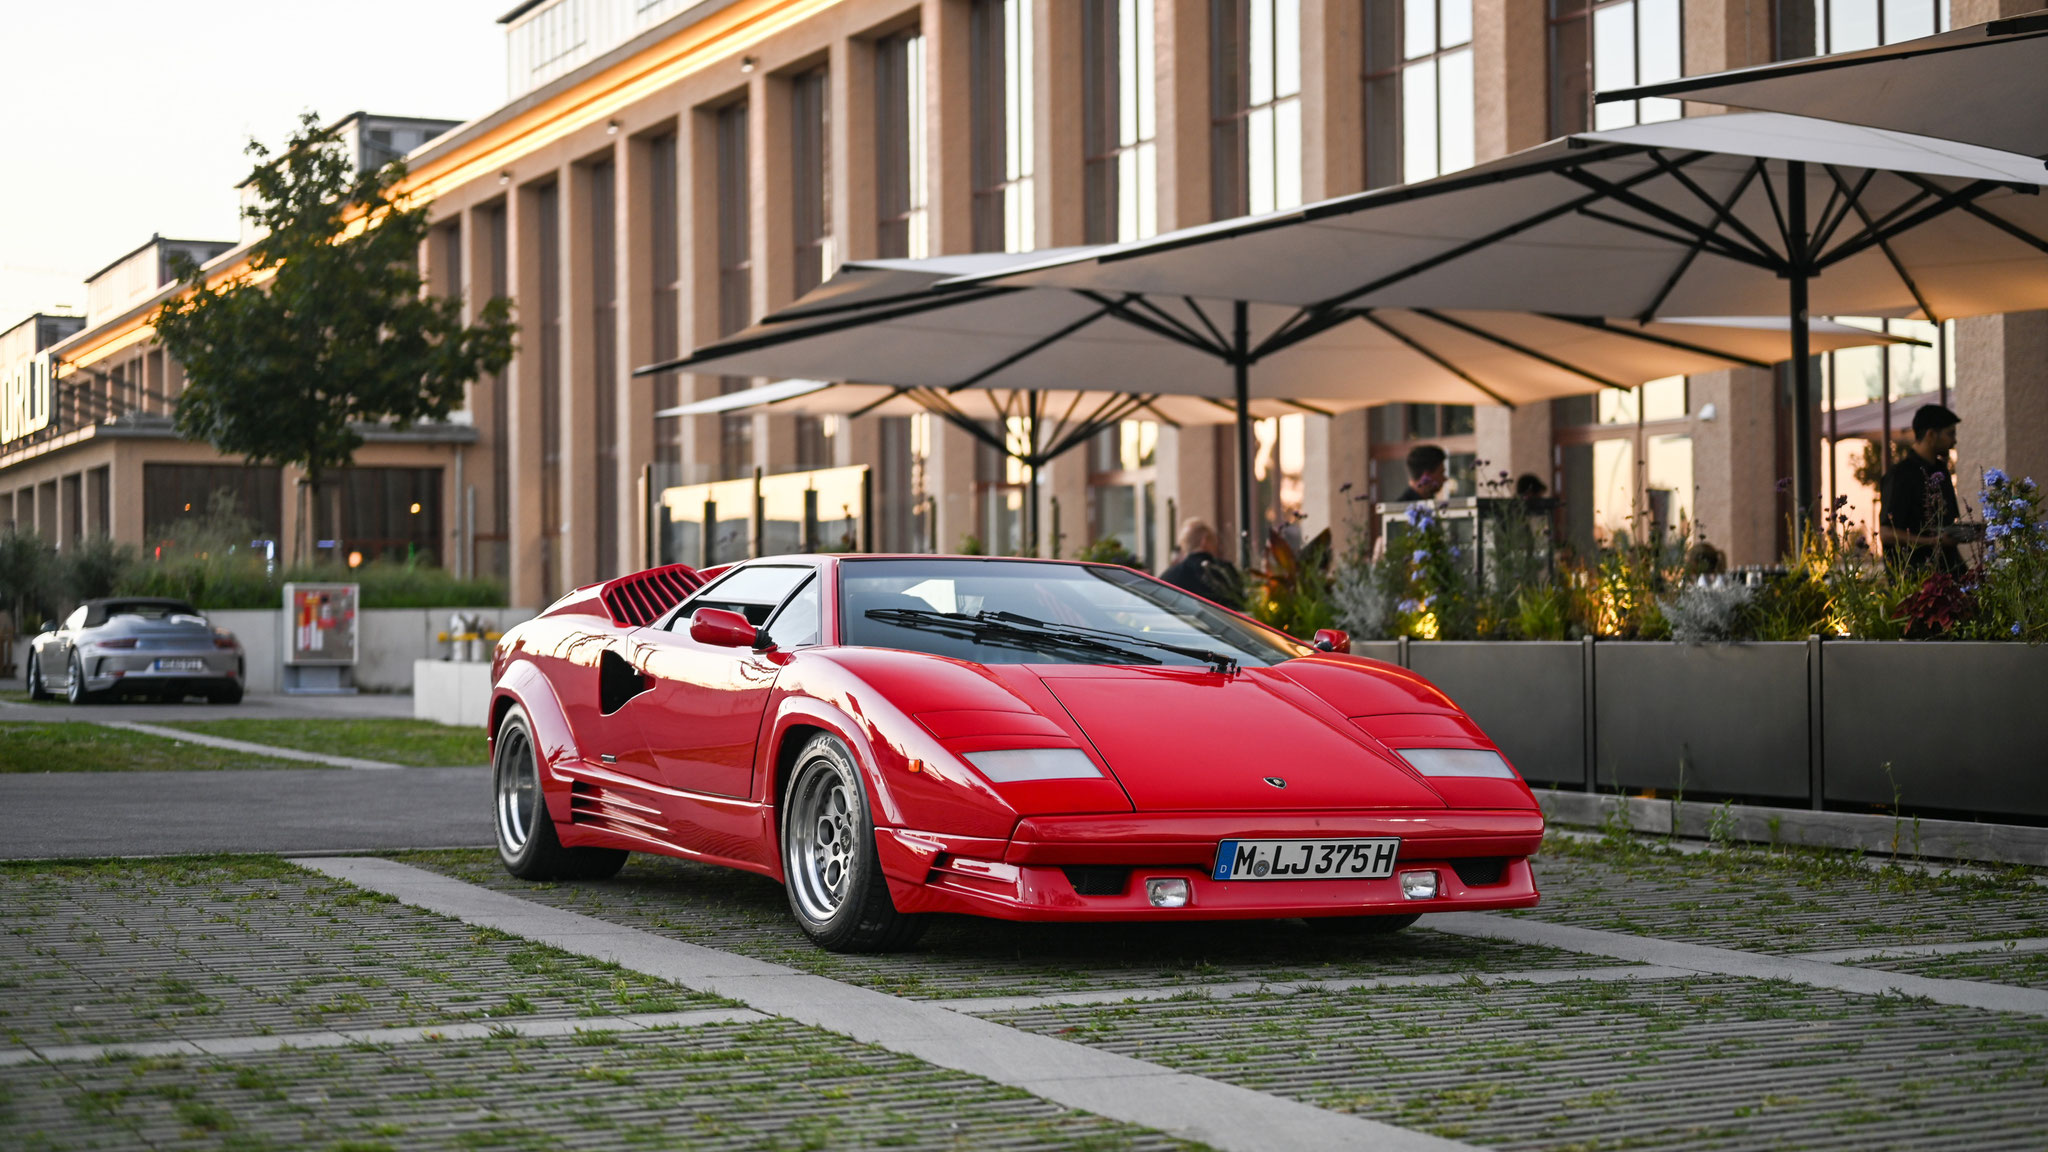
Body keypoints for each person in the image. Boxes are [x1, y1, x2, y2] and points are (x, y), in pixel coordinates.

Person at [1879, 404, 1969, 574]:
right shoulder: (1900, 475)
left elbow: (1948, 522)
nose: (1954, 441)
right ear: (1931, 435)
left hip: (1948, 572)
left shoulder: (1941, 471)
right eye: (1950, 434)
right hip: (1916, 577)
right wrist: (1933, 541)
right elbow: (1886, 533)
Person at [1160, 519, 1243, 609]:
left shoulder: (1168, 577)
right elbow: (1240, 603)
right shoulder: (1223, 570)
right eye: (1214, 540)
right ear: (1204, 541)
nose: (1216, 545)